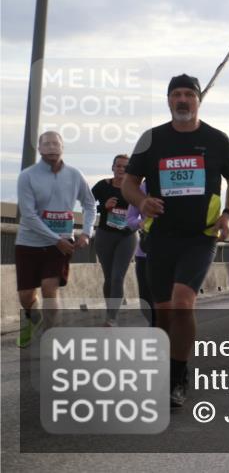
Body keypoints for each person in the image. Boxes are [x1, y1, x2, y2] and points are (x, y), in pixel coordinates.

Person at [123, 74, 229, 408]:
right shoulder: (152, 139)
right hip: (159, 237)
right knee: (162, 312)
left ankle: (178, 377)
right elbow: (130, 183)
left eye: (188, 94)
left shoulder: (217, 140)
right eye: (176, 94)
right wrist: (141, 201)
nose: (182, 100)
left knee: (182, 302)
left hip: (199, 237)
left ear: (198, 100)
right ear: (168, 101)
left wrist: (228, 214)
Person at [15, 131, 96, 347]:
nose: (52, 147)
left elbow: (89, 204)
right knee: (26, 296)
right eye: (47, 144)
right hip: (29, 242)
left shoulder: (74, 174)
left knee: (50, 289)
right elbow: (29, 215)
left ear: (62, 148)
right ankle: (33, 319)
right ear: (40, 149)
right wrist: (54, 238)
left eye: (55, 143)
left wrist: (86, 232)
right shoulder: (27, 176)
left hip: (60, 245)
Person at [91, 154, 139, 326]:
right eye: (118, 166)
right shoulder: (102, 186)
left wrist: (137, 222)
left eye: (125, 167)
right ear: (113, 167)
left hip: (127, 236)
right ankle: (110, 310)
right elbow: (87, 205)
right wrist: (103, 207)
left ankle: (112, 318)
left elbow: (144, 209)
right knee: (109, 278)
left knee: (118, 277)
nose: (121, 169)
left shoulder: (135, 189)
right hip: (105, 234)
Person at [126, 182, 155, 325]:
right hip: (145, 252)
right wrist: (140, 223)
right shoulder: (143, 188)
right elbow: (130, 218)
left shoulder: (179, 186)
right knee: (145, 300)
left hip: (172, 253)